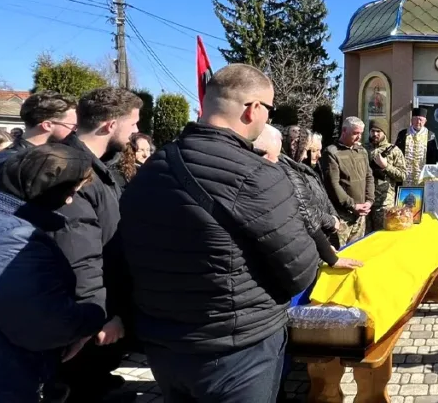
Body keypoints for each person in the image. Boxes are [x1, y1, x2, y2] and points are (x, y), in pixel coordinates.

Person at [120, 64, 320, 403]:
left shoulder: (152, 168)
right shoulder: (259, 175)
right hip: (236, 348)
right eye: (269, 110)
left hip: (163, 343)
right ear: (253, 109)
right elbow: (299, 271)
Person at [0, 144, 108, 403]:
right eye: (70, 191)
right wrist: (93, 316)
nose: (70, 200)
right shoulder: (14, 239)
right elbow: (44, 324)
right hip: (0, 375)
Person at [36, 88, 142, 401]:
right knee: (80, 387)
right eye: (133, 123)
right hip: (87, 319)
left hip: (100, 306)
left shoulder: (96, 167)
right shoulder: (73, 170)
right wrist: (100, 314)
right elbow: (77, 251)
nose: (136, 131)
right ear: (110, 125)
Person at [256, 124, 358, 272]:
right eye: (308, 150)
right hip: (304, 248)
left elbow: (322, 196)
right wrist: (331, 257)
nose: (306, 155)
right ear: (293, 146)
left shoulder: (300, 168)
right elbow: (307, 214)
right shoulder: (289, 172)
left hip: (316, 240)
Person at [0, 91, 76, 182]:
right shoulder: (27, 166)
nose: (75, 131)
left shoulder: (1, 158)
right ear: (47, 125)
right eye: (73, 126)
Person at [281, 126, 340, 249]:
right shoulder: (293, 173)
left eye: (320, 150)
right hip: (314, 235)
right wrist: (330, 221)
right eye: (314, 151)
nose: (318, 155)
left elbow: (324, 196)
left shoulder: (312, 170)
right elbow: (307, 208)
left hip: (325, 231)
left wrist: (335, 216)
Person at [322, 117, 375, 246]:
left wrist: (369, 200)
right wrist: (352, 205)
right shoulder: (332, 152)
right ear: (344, 131)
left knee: (358, 251)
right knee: (340, 252)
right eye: (355, 133)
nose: (359, 137)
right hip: (343, 216)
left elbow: (369, 176)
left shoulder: (362, 151)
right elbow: (333, 184)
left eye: (361, 133)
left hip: (361, 214)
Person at [367, 119, 406, 232]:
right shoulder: (363, 149)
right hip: (365, 202)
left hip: (384, 203)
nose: (375, 134)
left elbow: (402, 175)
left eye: (378, 131)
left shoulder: (394, 151)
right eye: (372, 131)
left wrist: (386, 167)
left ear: (384, 132)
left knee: (382, 235)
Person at [395, 107, 438, 184]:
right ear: (412, 120)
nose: (418, 122)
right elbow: (397, 152)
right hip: (405, 174)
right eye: (416, 119)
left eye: (421, 120)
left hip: (423, 174)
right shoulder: (403, 134)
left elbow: (433, 157)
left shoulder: (430, 135)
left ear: (425, 121)